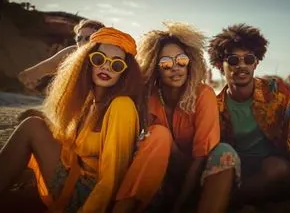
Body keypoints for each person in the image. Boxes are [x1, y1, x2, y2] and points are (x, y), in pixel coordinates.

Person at [0, 27, 143, 212]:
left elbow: (113, 177)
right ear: (87, 62)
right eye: (99, 59)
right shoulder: (88, 101)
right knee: (33, 123)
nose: (106, 66)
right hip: (73, 173)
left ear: (124, 72)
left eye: (116, 65)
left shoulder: (121, 106)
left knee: (31, 127)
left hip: (89, 194)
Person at [114, 22, 240, 213]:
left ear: (190, 61)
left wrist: (179, 207)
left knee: (224, 152)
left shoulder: (203, 95)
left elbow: (200, 159)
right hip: (161, 179)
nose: (175, 68)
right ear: (155, 68)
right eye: (166, 64)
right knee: (158, 134)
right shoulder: (148, 98)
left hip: (199, 178)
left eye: (181, 60)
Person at [207, 23, 290, 209]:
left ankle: (227, 198)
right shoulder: (214, 107)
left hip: (273, 167)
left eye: (248, 59)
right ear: (219, 66)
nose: (242, 66)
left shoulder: (279, 93)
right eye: (233, 60)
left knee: (277, 168)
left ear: (256, 62)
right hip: (236, 168)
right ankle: (227, 195)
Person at [17, 19, 105, 92]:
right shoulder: (72, 52)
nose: (81, 42)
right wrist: (24, 77)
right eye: (79, 38)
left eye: (88, 38)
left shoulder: (108, 58)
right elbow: (45, 66)